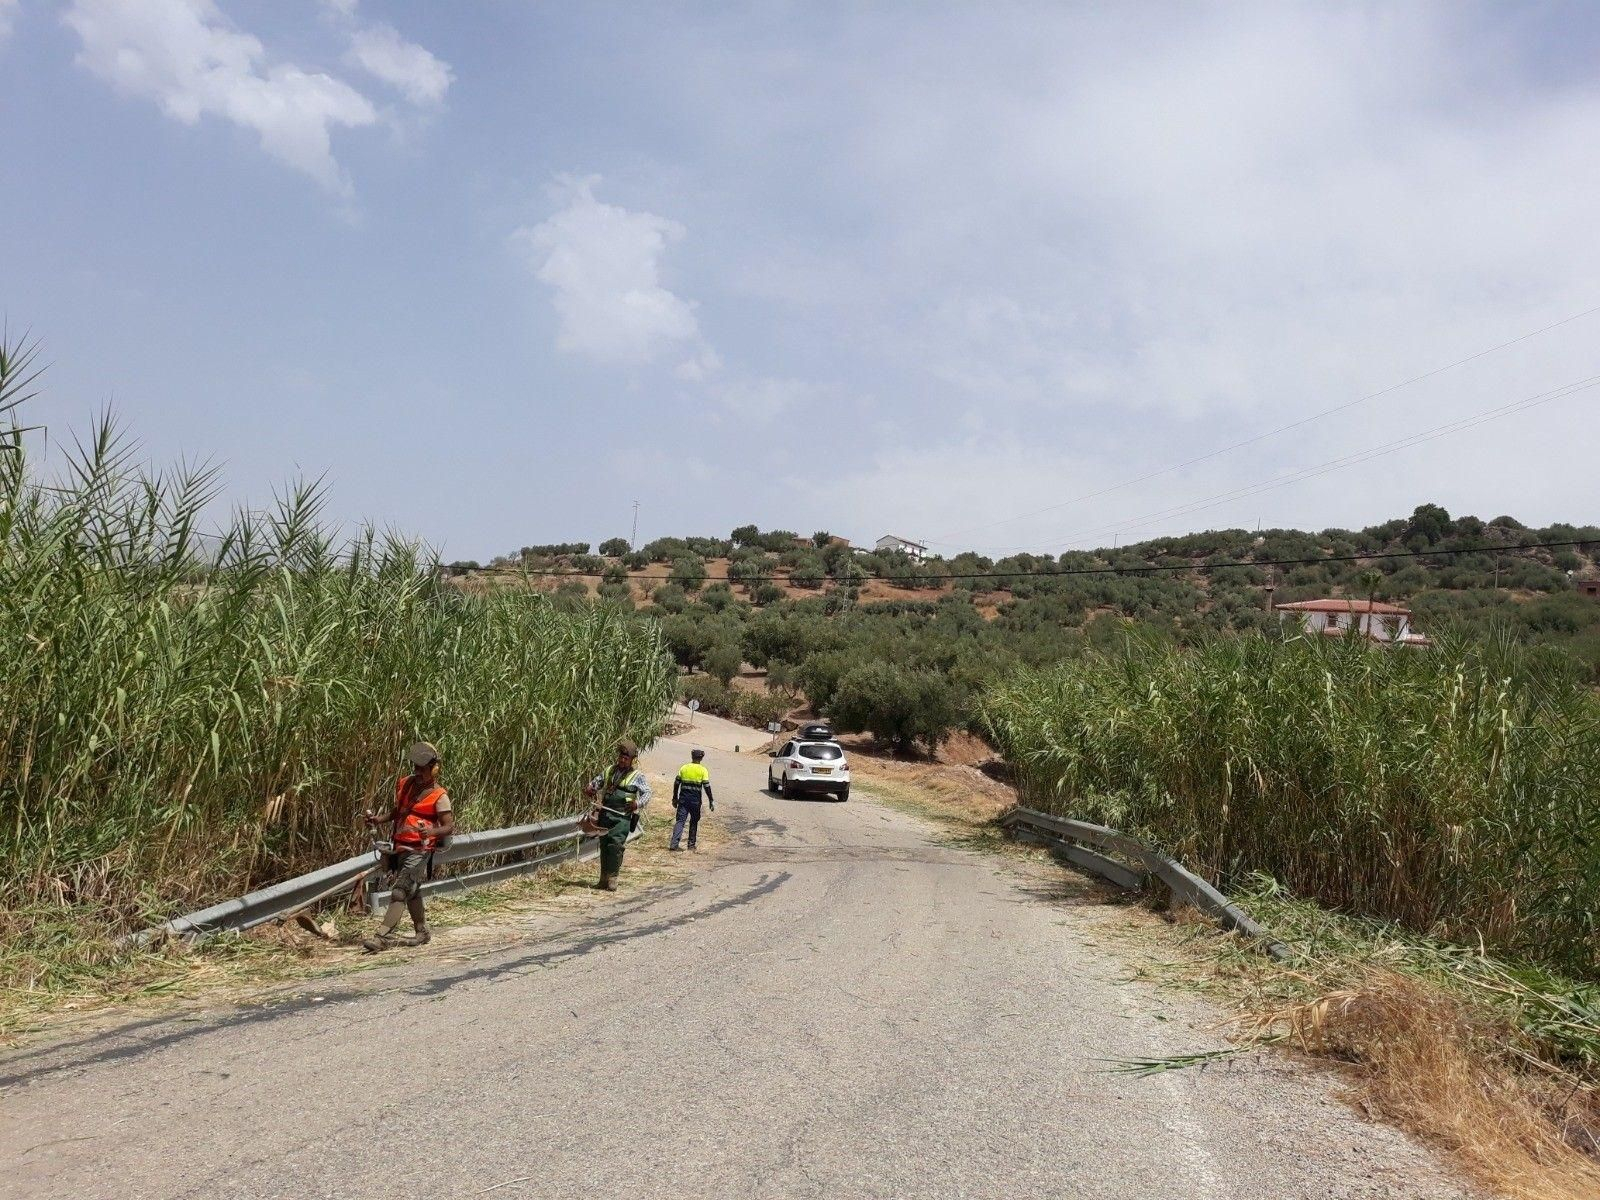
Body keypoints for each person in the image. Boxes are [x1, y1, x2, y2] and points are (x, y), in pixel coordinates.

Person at [362, 741, 454, 953]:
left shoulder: (440, 796)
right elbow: (398, 811)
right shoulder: (406, 784)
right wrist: (378, 820)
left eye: (422, 769)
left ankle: (382, 937)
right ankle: (422, 933)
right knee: (413, 891)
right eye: (415, 768)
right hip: (401, 846)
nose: (418, 772)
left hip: (420, 851)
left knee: (400, 890)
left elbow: (449, 827)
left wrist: (430, 832)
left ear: (434, 769)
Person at [584, 740, 651, 890]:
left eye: (626, 758)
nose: (622, 760)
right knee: (605, 846)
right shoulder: (609, 770)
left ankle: (613, 878)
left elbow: (647, 793)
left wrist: (637, 804)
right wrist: (590, 788)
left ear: (632, 760)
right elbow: (596, 783)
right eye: (621, 757)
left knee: (615, 845)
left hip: (622, 817)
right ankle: (603, 879)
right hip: (606, 814)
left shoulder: (637, 776)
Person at [670, 748, 714, 852]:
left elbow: (676, 783)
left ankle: (674, 844)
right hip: (695, 801)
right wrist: (711, 800)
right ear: (701, 758)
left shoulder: (684, 768)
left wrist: (674, 798)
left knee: (680, 821)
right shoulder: (703, 770)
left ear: (692, 757)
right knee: (694, 821)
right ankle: (691, 845)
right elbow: (706, 787)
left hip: (683, 800)